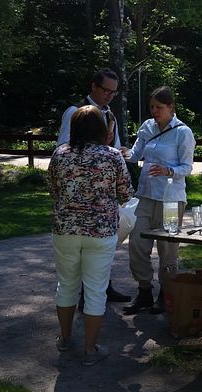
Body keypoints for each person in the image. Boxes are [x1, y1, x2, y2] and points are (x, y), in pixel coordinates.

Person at [48, 105, 133, 365]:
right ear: (100, 129)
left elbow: (53, 189)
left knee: (67, 286)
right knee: (96, 291)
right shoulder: (112, 156)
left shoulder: (60, 154)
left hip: (66, 229)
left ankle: (64, 339)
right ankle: (90, 349)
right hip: (101, 231)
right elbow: (126, 193)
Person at [56, 69, 129, 303]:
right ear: (94, 87)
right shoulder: (75, 112)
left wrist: (119, 153)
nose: (109, 96)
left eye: (113, 92)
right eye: (105, 90)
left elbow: (114, 146)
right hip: (78, 192)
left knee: (100, 251)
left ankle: (102, 287)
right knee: (76, 263)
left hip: (102, 193)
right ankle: (87, 295)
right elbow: (64, 147)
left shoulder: (111, 116)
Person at [121, 86, 195, 315]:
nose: (154, 111)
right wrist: (120, 152)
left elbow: (187, 167)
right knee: (136, 244)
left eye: (159, 107)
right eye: (152, 107)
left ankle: (166, 294)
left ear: (171, 107)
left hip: (171, 199)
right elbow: (135, 155)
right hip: (145, 195)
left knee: (167, 250)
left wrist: (168, 170)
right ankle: (144, 291)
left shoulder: (183, 132)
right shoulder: (147, 127)